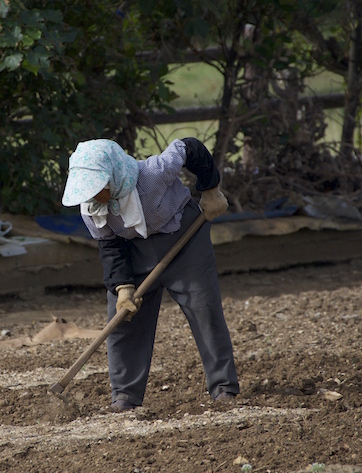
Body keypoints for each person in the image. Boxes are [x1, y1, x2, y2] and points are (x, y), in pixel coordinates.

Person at [61, 137, 240, 412]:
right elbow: (110, 247)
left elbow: (189, 147)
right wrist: (123, 288)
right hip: (133, 253)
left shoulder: (152, 174)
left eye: (98, 189)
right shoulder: (91, 210)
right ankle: (125, 396)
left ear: (114, 176)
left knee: (204, 311)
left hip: (184, 241)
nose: (93, 197)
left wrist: (211, 191)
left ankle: (223, 388)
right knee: (123, 321)